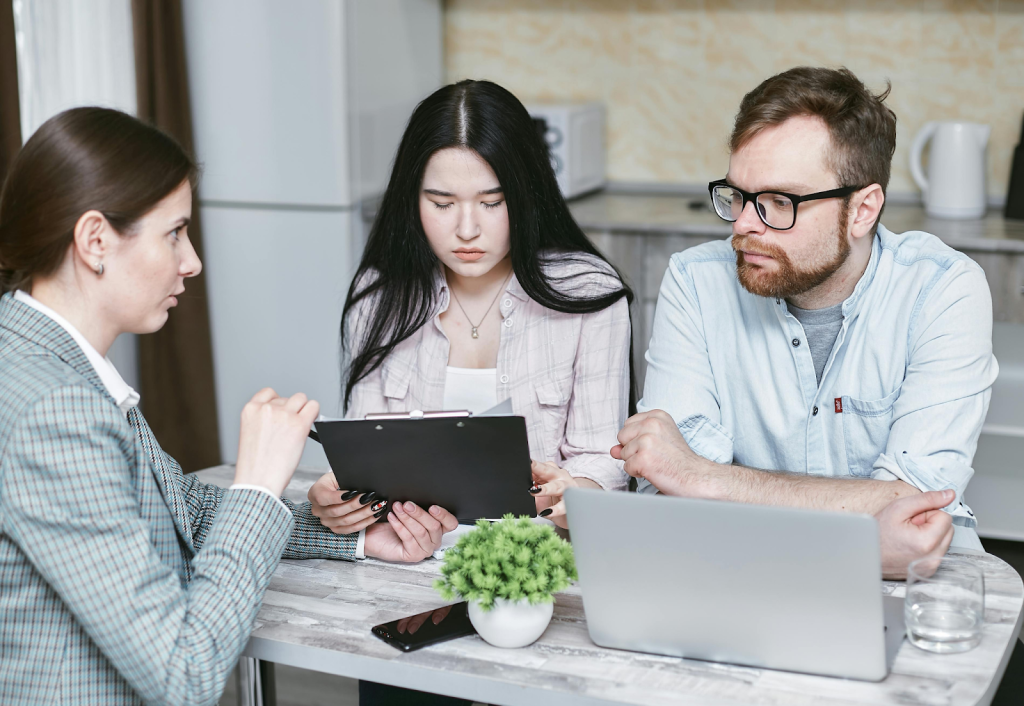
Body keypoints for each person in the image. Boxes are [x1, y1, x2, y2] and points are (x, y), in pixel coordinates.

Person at [0, 107, 457, 706]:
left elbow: (179, 511)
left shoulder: (41, 359)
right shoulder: (55, 412)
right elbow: (183, 675)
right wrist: (260, 486)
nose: (190, 261)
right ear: (95, 241)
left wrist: (357, 540)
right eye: (174, 233)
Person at [304, 79, 633, 706]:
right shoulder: (378, 299)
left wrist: (578, 489)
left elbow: (604, 458)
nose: (466, 228)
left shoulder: (590, 293)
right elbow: (370, 450)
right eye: (441, 201)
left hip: (540, 587)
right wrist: (342, 499)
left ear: (527, 194)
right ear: (411, 200)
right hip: (407, 587)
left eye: (491, 200)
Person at [614, 66, 998, 574]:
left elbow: (915, 504)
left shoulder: (943, 288)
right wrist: (860, 519)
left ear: (863, 210)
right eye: (738, 196)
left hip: (914, 584)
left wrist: (708, 479)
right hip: (729, 569)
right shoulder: (695, 282)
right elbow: (668, 486)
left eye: (780, 202)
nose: (745, 225)